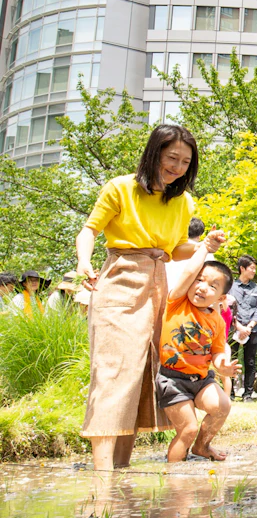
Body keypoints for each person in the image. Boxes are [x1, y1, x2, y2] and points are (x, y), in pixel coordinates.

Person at [75, 124, 203, 471]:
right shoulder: (120, 187)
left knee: (143, 372)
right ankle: (102, 474)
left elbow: (176, 250)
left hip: (157, 281)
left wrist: (206, 247)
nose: (176, 167)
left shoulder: (183, 201)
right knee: (114, 370)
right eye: (171, 157)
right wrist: (84, 263)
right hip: (120, 276)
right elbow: (90, 229)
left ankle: (121, 468)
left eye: (185, 162)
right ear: (154, 153)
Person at [157, 231, 240, 462]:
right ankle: (175, 478)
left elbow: (216, 352)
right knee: (188, 429)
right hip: (172, 380)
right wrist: (205, 248)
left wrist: (222, 367)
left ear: (222, 298)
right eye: (200, 280)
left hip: (201, 380)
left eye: (213, 286)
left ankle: (202, 447)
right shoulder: (177, 301)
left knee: (222, 406)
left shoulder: (217, 320)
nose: (203, 287)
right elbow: (187, 272)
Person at [229, 256, 257, 400]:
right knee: (231, 359)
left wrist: (249, 327)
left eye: (255, 268)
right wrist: (238, 326)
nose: (254, 271)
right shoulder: (230, 287)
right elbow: (226, 308)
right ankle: (230, 392)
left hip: (252, 330)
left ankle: (248, 393)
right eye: (251, 268)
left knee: (250, 361)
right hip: (233, 328)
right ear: (242, 268)